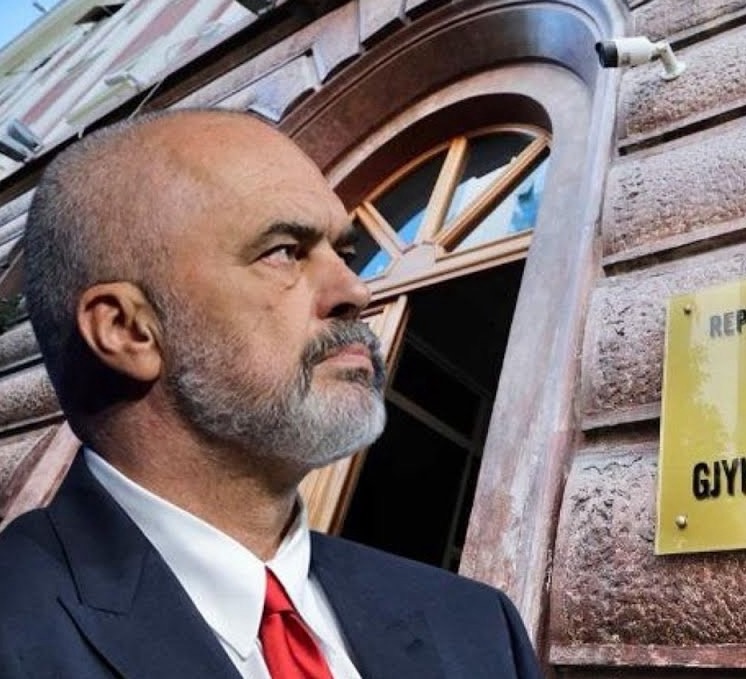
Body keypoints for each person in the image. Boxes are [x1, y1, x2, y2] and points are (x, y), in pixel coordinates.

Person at [0, 109, 543, 678]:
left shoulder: (479, 627)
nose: (356, 291)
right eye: (283, 251)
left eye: (345, 254)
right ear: (129, 330)